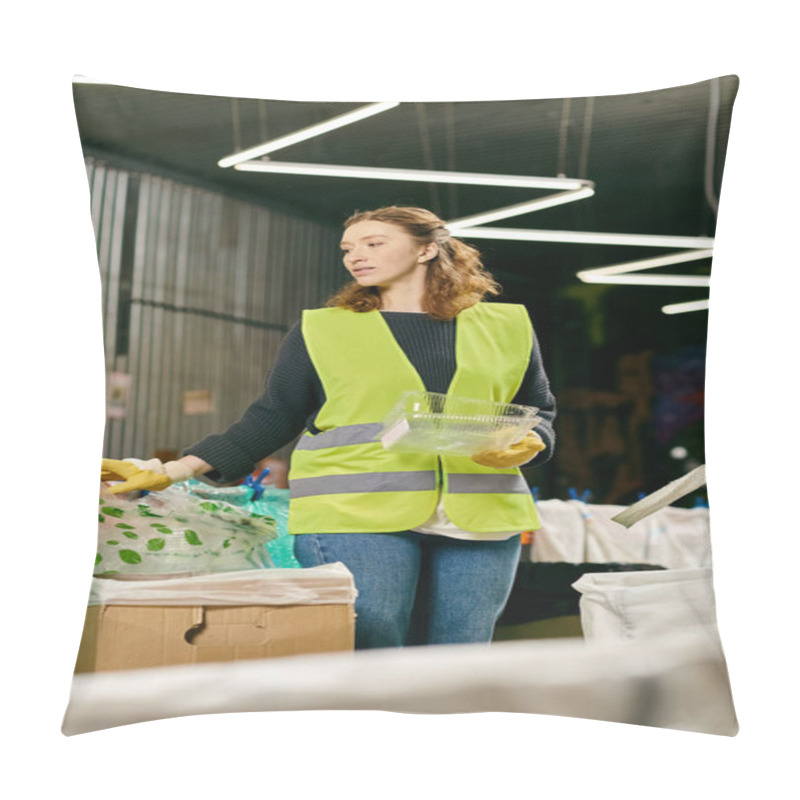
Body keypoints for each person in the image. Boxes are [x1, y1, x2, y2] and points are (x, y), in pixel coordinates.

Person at [101, 205, 556, 650]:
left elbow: (538, 410)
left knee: (460, 654)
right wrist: (173, 469)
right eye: (347, 248)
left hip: (482, 516)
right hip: (354, 512)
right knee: (373, 643)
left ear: (426, 251)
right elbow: (274, 415)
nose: (355, 256)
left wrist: (534, 441)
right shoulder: (323, 330)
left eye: (374, 244)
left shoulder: (507, 326)